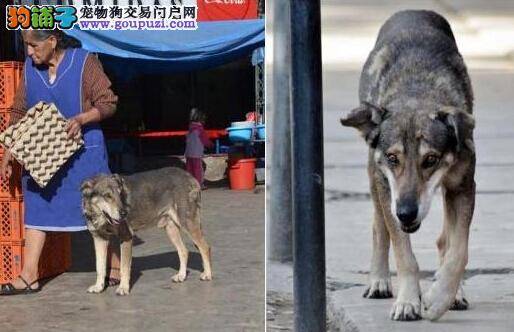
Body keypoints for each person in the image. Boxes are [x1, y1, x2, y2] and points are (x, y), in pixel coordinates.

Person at [0, 30, 120, 295]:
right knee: (37, 207)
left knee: (99, 211)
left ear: (52, 41)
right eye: (26, 46)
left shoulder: (84, 62)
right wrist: (8, 153)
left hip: (84, 154)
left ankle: (114, 265)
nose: (29, 53)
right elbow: (19, 111)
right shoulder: (31, 70)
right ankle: (28, 275)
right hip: (44, 156)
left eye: (33, 46)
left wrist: (81, 119)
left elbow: (108, 102)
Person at [184, 108, 213, 189]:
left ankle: (189, 184)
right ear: (201, 120)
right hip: (196, 154)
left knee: (189, 170)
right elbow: (205, 140)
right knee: (198, 170)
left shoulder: (190, 128)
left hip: (188, 153)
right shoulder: (200, 129)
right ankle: (199, 185)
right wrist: (211, 145)